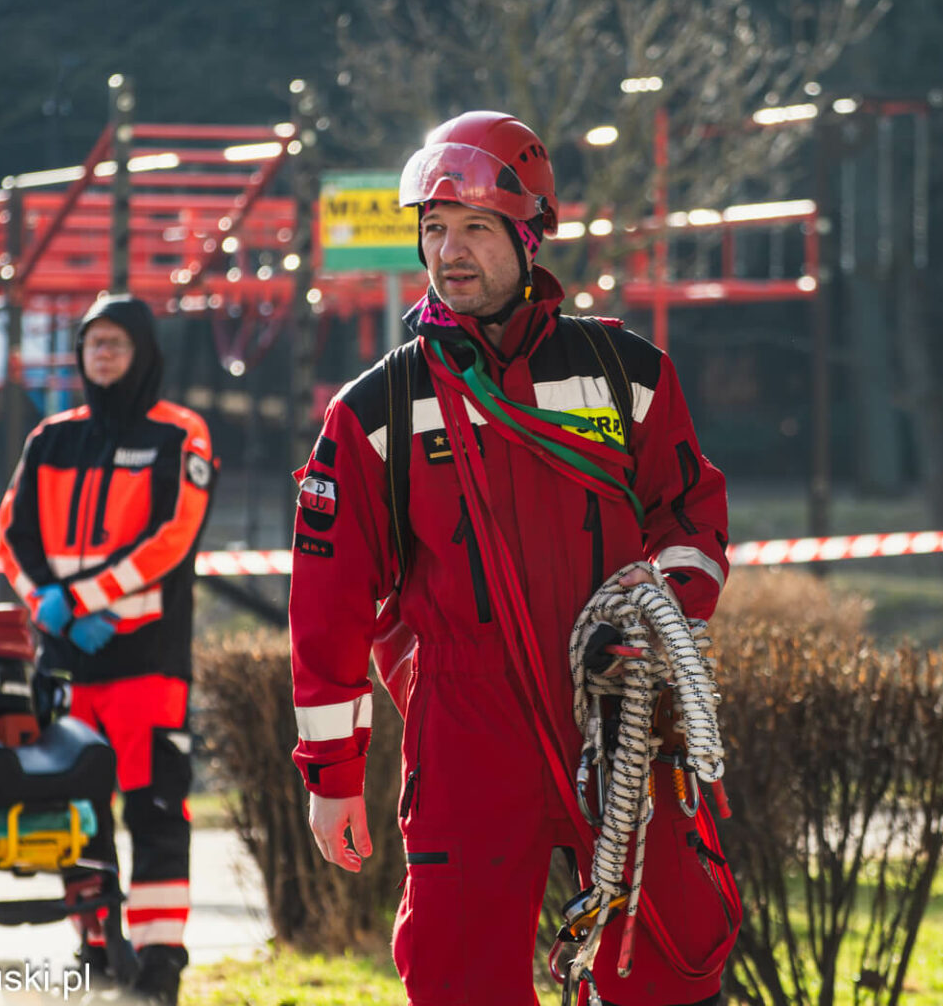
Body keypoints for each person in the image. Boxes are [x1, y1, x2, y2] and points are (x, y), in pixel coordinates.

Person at [288, 111, 738, 1006]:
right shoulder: (376, 409)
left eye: (477, 229)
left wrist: (664, 618)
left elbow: (689, 512)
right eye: (434, 229)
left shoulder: (627, 374)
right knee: (460, 981)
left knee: (671, 963)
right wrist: (334, 782)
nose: (449, 252)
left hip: (621, 714)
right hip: (466, 728)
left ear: (528, 237)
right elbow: (328, 603)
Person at [0, 294, 216, 1006]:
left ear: (144, 351)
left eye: (117, 342)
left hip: (147, 663)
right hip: (67, 666)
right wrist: (45, 604)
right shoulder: (49, 438)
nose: (104, 354)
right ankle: (96, 951)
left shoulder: (179, 435)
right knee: (75, 816)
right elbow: (11, 535)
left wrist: (83, 598)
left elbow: (172, 537)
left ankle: (158, 969)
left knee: (153, 814)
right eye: (93, 343)